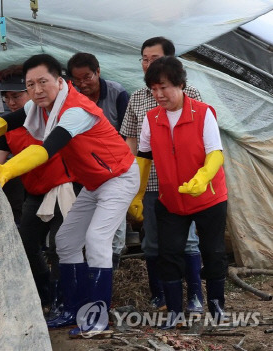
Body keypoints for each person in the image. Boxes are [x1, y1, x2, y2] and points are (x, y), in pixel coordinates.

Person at [0, 54, 139, 337]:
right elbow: (10, 121)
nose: (36, 90)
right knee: (66, 240)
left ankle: (97, 315)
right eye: (30, 85)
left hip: (119, 176)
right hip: (93, 182)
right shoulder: (39, 105)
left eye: (42, 82)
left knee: (96, 240)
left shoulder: (77, 110)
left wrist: (7, 171)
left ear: (59, 81)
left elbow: (48, 148)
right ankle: (71, 309)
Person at [130, 56, 228, 328]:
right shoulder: (152, 118)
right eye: (153, 89)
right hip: (171, 200)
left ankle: (217, 308)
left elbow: (215, 154)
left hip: (208, 198)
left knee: (214, 251)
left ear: (181, 85)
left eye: (164, 87)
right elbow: (144, 158)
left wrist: (203, 177)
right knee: (168, 253)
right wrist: (137, 194)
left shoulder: (203, 112)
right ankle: (174, 311)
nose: (158, 95)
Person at [120, 36, 204, 313]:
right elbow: (130, 141)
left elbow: (199, 138)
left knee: (189, 240)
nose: (147, 64)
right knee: (152, 241)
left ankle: (194, 296)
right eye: (144, 59)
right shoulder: (137, 97)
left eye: (153, 59)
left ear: (171, 61)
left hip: (184, 183)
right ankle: (160, 295)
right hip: (152, 183)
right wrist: (132, 180)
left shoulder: (190, 92)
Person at [0, 73, 76, 315]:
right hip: (34, 192)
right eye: (6, 98)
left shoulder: (57, 118)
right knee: (25, 243)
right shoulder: (9, 127)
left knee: (61, 247)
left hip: (64, 187)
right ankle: (44, 292)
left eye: (16, 96)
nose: (11, 103)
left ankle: (63, 303)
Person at [67, 52, 130, 269]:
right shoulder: (72, 98)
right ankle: (91, 263)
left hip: (114, 168)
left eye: (87, 77)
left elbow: (127, 134)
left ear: (98, 72)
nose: (82, 84)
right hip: (84, 168)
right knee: (83, 220)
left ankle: (114, 261)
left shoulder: (118, 93)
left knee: (113, 218)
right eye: (77, 80)